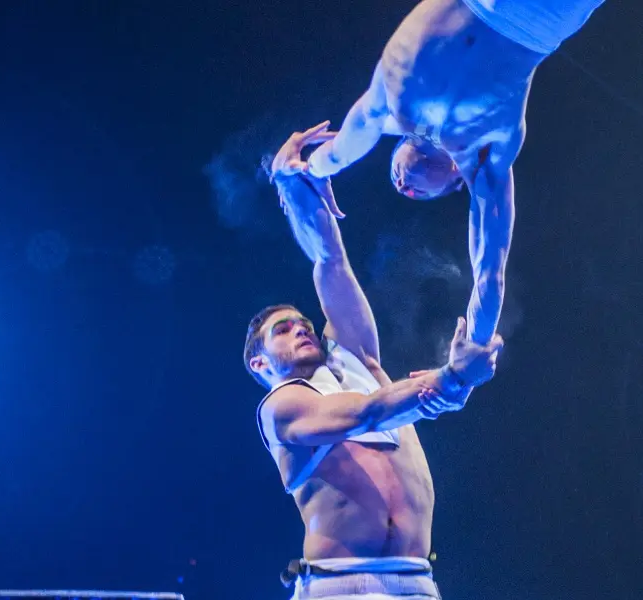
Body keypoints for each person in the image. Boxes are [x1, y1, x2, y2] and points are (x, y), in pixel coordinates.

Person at [244, 124, 505, 599]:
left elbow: (330, 261)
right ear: (261, 366)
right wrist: (448, 383)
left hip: (416, 584)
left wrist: (294, 185)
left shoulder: (356, 361)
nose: (300, 327)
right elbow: (367, 413)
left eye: (302, 321)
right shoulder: (282, 408)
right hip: (342, 586)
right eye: (281, 331)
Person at [290, 0, 607, 348]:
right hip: (549, 17)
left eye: (394, 180)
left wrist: (305, 169)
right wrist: (474, 346)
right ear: (457, 180)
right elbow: (488, 273)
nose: (401, 184)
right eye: (417, 193)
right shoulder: (485, 157)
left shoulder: (388, 103)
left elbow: (339, 151)